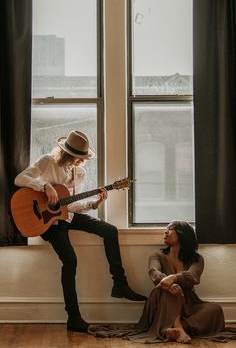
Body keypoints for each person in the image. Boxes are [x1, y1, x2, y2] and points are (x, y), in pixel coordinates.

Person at [14, 130, 147, 333]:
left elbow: (70, 205)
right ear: (67, 153)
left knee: (109, 230)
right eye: (78, 157)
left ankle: (120, 284)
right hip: (48, 222)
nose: (81, 161)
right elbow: (20, 179)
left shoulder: (80, 173)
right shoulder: (47, 161)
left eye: (83, 158)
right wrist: (45, 185)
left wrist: (94, 204)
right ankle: (74, 318)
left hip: (65, 216)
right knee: (70, 260)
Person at [89, 221, 236, 343]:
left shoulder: (196, 259)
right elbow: (154, 273)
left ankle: (166, 329)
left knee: (215, 309)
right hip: (161, 298)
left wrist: (174, 277)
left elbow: (193, 277)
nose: (165, 232)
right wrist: (170, 283)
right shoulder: (157, 254)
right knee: (170, 289)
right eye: (165, 229)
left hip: (188, 303)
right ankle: (177, 327)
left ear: (182, 234)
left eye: (170, 229)